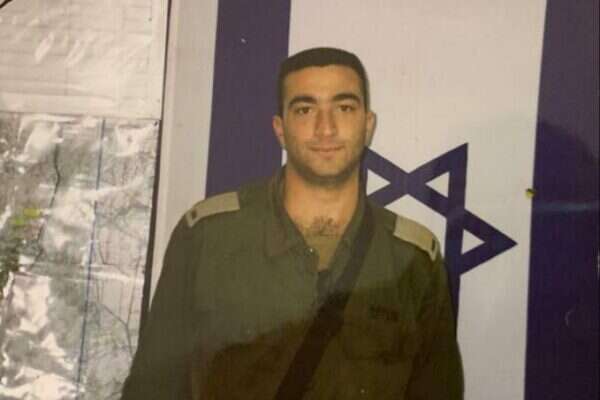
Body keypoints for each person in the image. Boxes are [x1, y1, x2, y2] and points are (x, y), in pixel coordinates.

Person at [121, 47, 463, 400]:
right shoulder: (209, 238)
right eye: (305, 109)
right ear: (280, 129)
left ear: (368, 125)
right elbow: (152, 390)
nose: (326, 128)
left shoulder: (412, 259)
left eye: (344, 108)